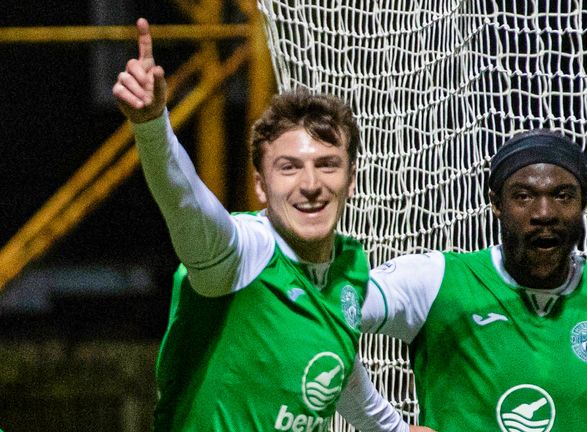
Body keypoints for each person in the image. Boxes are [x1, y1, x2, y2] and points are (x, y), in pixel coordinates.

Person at [112, 18, 432, 432]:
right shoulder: (240, 255)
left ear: (350, 181)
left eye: (327, 165)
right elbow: (185, 201)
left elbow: (336, 365)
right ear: (261, 186)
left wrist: (394, 429)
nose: (311, 185)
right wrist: (153, 125)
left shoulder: (348, 269)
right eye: (289, 168)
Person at [337, 130, 587, 431]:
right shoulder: (436, 280)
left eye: (562, 196)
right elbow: (323, 316)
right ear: (496, 203)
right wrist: (385, 425)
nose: (544, 214)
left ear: (585, 203)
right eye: (524, 196)